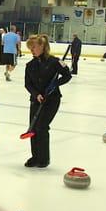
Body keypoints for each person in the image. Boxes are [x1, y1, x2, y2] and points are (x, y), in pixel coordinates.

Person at [24, 34, 72, 168]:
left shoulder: (55, 62)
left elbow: (67, 75)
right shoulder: (30, 65)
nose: (31, 50)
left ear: (42, 46)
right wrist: (36, 94)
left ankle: (44, 158)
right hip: (36, 100)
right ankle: (35, 157)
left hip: (52, 100)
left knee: (42, 127)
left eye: (33, 47)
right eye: (30, 48)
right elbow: (27, 84)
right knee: (33, 128)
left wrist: (55, 84)